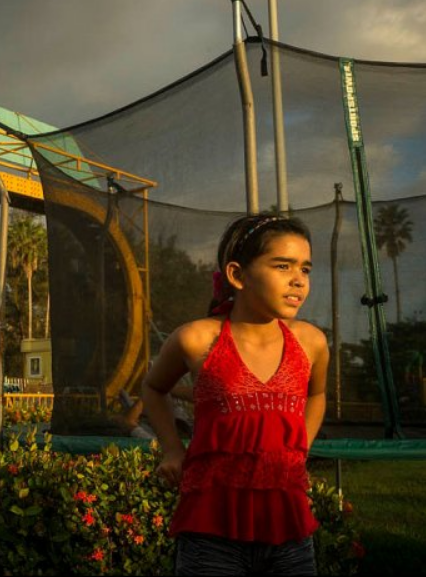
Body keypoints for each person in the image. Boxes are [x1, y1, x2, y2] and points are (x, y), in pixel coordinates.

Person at [141, 214, 329, 576]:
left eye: (305, 269)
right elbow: (152, 388)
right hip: (210, 532)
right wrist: (172, 449)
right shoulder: (195, 339)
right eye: (282, 265)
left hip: (289, 531)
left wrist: (300, 445)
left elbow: (316, 395)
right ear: (237, 275)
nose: (298, 280)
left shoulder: (312, 343)